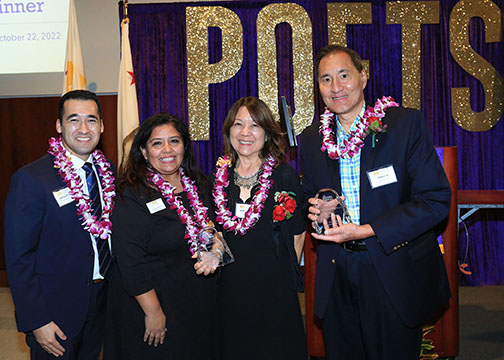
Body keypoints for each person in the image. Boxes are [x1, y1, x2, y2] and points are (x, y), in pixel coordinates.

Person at [299, 45, 452, 360]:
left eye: (344, 75)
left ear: (363, 77)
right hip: (336, 270)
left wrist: (367, 230)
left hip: (391, 266)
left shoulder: (403, 125)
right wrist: (316, 209)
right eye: (326, 79)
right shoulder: (312, 139)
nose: (336, 87)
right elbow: (309, 198)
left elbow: (435, 200)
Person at [4, 90, 115, 359]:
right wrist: (36, 320)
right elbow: (19, 258)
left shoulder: (108, 173)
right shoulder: (31, 179)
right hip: (55, 311)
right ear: (59, 125)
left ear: (101, 125)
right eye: (73, 120)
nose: (83, 129)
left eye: (91, 120)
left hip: (102, 303)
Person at [103, 113, 216, 360]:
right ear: (144, 152)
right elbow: (130, 259)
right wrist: (153, 311)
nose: (167, 149)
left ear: (184, 146)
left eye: (174, 141)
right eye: (157, 143)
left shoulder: (199, 184)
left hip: (192, 299)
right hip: (150, 303)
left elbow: (211, 232)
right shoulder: (131, 194)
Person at [210, 96, 307, 360]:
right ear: (229, 131)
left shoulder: (283, 175)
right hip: (230, 288)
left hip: (274, 289)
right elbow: (211, 230)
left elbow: (298, 231)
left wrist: (285, 274)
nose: (245, 133)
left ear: (266, 133)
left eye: (254, 126)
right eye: (238, 124)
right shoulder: (218, 179)